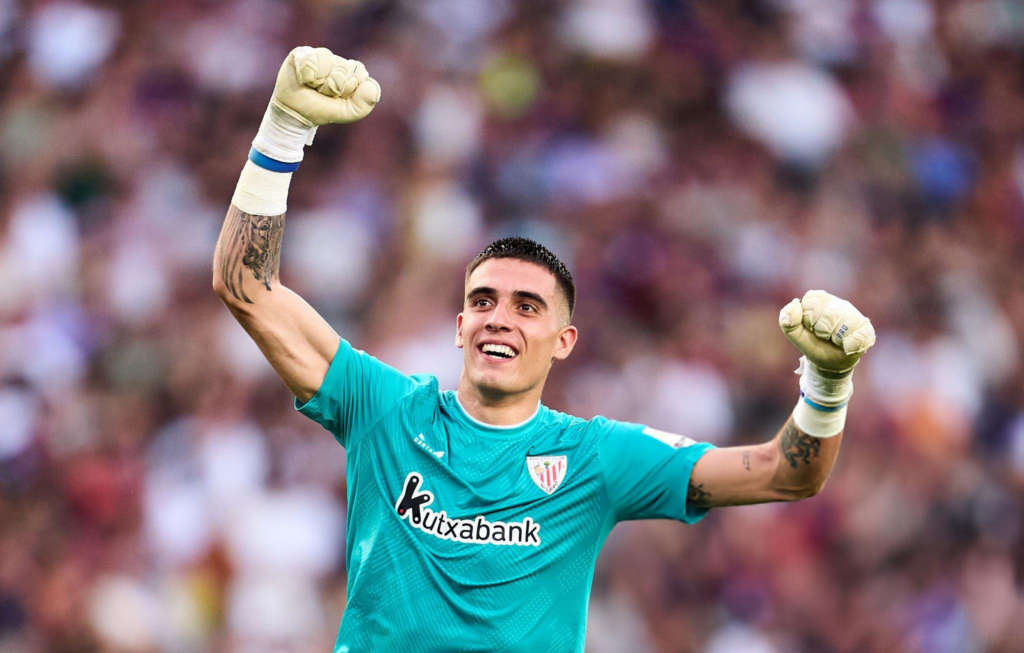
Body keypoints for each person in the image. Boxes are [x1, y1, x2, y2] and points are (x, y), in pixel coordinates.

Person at [212, 47, 877, 653]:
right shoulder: (386, 410)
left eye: (527, 307)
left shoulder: (595, 457)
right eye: (483, 301)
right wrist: (283, 130)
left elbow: (784, 473)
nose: (499, 319)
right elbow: (246, 286)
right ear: (459, 325)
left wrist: (827, 382)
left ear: (564, 342)